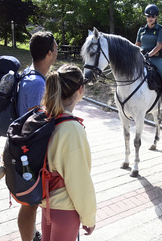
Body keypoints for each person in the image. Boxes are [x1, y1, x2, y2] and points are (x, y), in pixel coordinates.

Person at [0, 31, 58, 241]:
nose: (57, 51)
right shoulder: (38, 83)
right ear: (49, 53)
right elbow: (34, 122)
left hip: (20, 147)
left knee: (31, 203)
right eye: (56, 48)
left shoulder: (30, 74)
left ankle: (32, 235)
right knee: (30, 205)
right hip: (27, 151)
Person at [40, 64, 96, 241]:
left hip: (46, 205)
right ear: (80, 89)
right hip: (65, 209)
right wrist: (88, 217)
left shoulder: (47, 118)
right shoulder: (71, 128)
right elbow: (79, 180)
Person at [135, 4, 162, 114]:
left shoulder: (160, 30)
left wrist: (149, 55)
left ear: (156, 18)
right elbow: (137, 44)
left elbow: (159, 45)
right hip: (141, 57)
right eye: (149, 16)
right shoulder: (141, 29)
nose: (150, 19)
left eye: (153, 17)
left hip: (154, 58)